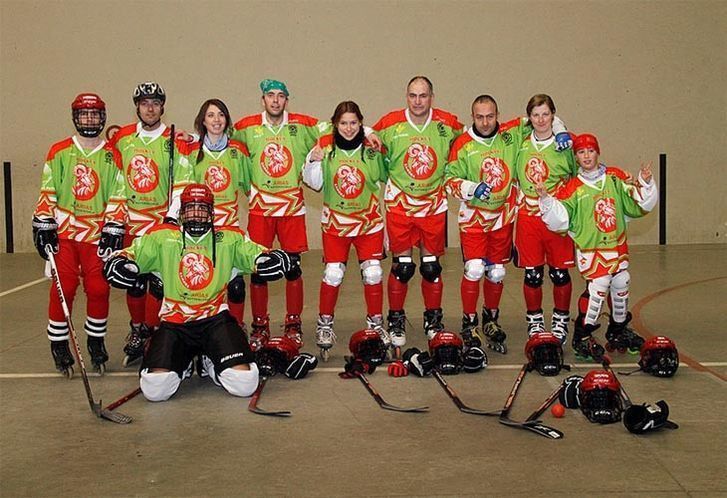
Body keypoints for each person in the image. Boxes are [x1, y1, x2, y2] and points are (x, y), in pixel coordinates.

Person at [103, 183, 293, 401]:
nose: (196, 215)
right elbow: (131, 254)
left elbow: (256, 254)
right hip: (175, 322)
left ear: (212, 212)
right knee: (155, 390)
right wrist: (118, 263)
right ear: (181, 212)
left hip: (215, 320)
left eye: (202, 209)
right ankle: (182, 363)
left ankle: (210, 360)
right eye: (191, 209)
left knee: (245, 384)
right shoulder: (162, 237)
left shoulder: (229, 238)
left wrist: (274, 259)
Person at [536, 133, 657, 360]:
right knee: (598, 287)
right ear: (576, 157)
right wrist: (546, 199)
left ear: (597, 152)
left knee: (621, 282)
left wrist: (646, 182)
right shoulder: (572, 188)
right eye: (581, 152)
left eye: (590, 151)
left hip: (616, 243)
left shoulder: (614, 178)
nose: (586, 156)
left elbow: (636, 199)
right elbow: (559, 218)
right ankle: (582, 334)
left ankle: (618, 329)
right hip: (591, 248)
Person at [32, 93, 127, 375]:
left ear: (103, 117)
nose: (89, 120)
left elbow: (119, 193)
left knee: (99, 289)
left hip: (97, 235)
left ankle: (96, 343)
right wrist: (43, 222)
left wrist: (114, 224)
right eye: (84, 114)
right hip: (65, 235)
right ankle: (59, 345)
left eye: (94, 114)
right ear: (75, 117)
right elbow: (47, 189)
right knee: (65, 288)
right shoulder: (59, 151)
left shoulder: (113, 154)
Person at [231, 79, 324, 349]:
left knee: (292, 269)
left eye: (280, 96)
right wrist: (190, 139)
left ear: (286, 100)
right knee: (259, 270)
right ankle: (260, 324)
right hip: (260, 209)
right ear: (262, 99)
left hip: (292, 209)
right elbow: (217, 136)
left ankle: (293, 323)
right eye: (270, 96)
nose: (275, 100)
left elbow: (337, 127)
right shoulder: (247, 127)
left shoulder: (302, 124)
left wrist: (366, 131)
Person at [372, 76, 464, 348]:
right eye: (413, 95)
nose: (418, 101)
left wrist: (556, 126)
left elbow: (479, 136)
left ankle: (433, 318)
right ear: (406, 96)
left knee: (431, 267)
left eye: (423, 95)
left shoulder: (447, 124)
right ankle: (396, 317)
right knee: (402, 267)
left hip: (433, 205)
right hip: (400, 204)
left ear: (431, 97)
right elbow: (358, 134)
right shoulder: (390, 123)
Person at [109, 81, 194, 365]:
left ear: (162, 107)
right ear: (137, 106)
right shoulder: (123, 138)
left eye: (155, 103)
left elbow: (183, 182)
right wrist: (113, 220)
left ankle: (154, 330)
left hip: (161, 221)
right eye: (145, 103)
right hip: (132, 221)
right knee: (133, 280)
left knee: (158, 283)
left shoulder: (174, 139)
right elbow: (116, 178)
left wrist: (171, 216)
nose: (150, 108)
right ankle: (137, 329)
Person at [302, 101, 388, 360]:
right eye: (343, 123)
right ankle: (325, 323)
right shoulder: (325, 149)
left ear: (361, 123)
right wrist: (312, 161)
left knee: (372, 272)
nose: (348, 128)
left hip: (368, 223)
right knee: (333, 273)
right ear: (335, 125)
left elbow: (391, 177)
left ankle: (375, 323)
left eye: (353, 123)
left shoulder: (372, 151)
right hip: (336, 224)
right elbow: (313, 183)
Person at [514, 94, 577, 343]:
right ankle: (535, 322)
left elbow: (578, 174)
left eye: (546, 114)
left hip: (555, 216)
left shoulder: (565, 145)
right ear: (529, 117)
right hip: (528, 217)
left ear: (554, 115)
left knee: (560, 274)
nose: (541, 119)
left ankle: (561, 320)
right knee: (533, 274)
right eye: (535, 114)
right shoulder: (520, 140)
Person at [186, 99, 251, 329]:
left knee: (236, 286)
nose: (216, 120)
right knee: (201, 284)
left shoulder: (238, 151)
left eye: (221, 115)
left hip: (229, 230)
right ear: (202, 120)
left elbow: (253, 189)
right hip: (199, 232)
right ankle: (199, 329)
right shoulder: (190, 151)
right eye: (211, 115)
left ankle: (235, 328)